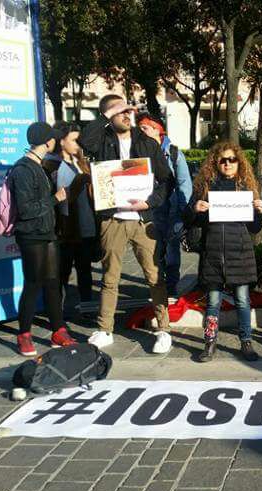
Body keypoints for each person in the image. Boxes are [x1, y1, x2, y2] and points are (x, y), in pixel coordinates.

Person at [78, 95, 175, 353]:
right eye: (119, 111)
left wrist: (150, 202)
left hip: (143, 220)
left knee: (154, 276)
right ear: (108, 115)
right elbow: (84, 141)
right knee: (110, 277)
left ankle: (163, 329)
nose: (126, 114)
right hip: (113, 218)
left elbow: (167, 180)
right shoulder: (102, 141)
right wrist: (106, 116)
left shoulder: (146, 143)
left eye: (127, 110)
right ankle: (105, 329)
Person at [184, 142, 262, 362]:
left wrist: (261, 211)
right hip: (213, 253)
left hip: (239, 253)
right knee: (212, 303)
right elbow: (191, 220)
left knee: (242, 301)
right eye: (223, 160)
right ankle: (210, 343)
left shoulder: (246, 187)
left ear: (239, 162)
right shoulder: (205, 187)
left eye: (232, 159)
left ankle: (246, 342)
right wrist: (195, 209)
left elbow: (255, 228)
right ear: (215, 163)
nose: (228, 164)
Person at [10, 122, 77, 356]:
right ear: (47, 142)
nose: (56, 143)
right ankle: (24, 334)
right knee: (33, 283)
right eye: (54, 139)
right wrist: (56, 198)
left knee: (52, 282)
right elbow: (27, 209)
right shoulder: (23, 169)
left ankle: (58, 330)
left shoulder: (41, 166)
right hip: (30, 234)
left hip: (48, 232)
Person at [137, 113, 193, 296]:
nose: (141, 131)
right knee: (153, 251)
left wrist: (185, 214)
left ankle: (170, 289)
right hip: (149, 209)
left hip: (173, 210)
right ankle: (157, 288)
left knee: (171, 251)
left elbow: (185, 184)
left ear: (156, 129)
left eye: (145, 128)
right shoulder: (138, 151)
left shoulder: (174, 153)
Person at [46, 122, 98, 311]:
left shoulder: (82, 163)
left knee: (85, 270)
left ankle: (87, 306)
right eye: (74, 140)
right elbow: (59, 197)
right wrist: (78, 183)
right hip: (66, 228)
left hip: (86, 224)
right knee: (63, 270)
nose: (79, 144)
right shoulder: (53, 166)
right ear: (62, 142)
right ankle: (57, 312)